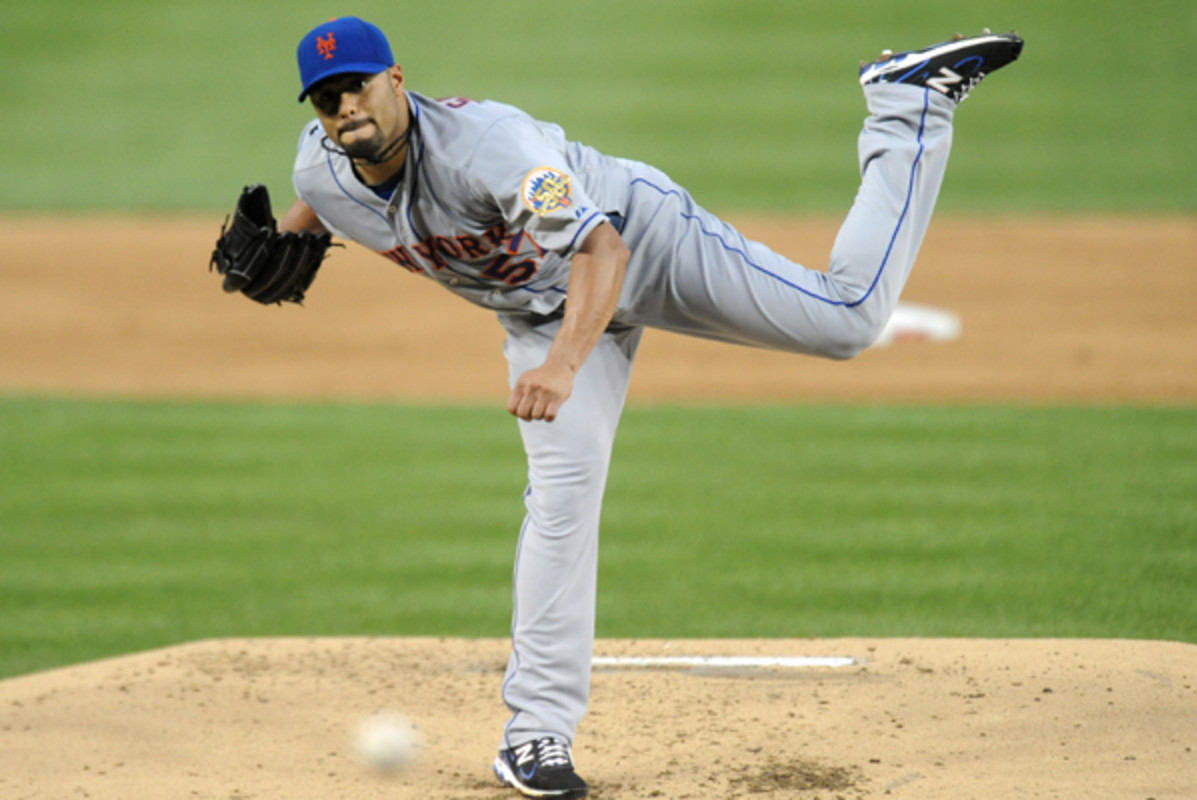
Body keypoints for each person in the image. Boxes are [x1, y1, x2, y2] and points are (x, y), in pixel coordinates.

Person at [273, 17, 1023, 799]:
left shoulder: (489, 147)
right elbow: (318, 198)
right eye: (327, 98)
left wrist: (564, 366)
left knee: (850, 322)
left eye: (356, 85)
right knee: (561, 500)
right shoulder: (322, 166)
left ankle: (905, 108)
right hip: (541, 314)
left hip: (642, 243)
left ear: (395, 80)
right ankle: (534, 738)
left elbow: (603, 253)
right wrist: (281, 241)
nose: (345, 107)